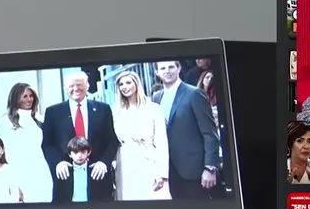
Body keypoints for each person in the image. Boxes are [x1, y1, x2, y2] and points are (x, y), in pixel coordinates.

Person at [43, 72, 119, 201]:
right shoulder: (53, 112)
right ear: (65, 89)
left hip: (97, 176)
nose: (76, 88)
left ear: (87, 85)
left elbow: (112, 141)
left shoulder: (103, 109)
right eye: (71, 86)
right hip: (66, 178)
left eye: (79, 84)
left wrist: (104, 163)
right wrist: (58, 163)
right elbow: (47, 144)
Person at [152, 61, 221, 199]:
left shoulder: (194, 94)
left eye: (171, 67)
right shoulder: (156, 98)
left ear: (179, 68)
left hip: (194, 171)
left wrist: (210, 167)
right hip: (169, 171)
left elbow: (210, 134)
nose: (167, 71)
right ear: (157, 72)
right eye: (163, 68)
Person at [110, 71, 170, 200]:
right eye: (121, 84)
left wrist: (162, 173)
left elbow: (161, 142)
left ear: (136, 84)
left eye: (128, 82)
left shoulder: (153, 108)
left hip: (148, 161)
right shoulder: (115, 111)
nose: (124, 87)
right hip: (125, 163)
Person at [0, 83, 53, 203]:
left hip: (41, 169)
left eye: (31, 96)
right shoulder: (6, 120)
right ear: (16, 98)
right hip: (20, 171)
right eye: (25, 96)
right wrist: (13, 182)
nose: (29, 99)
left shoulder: (39, 118)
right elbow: (8, 152)